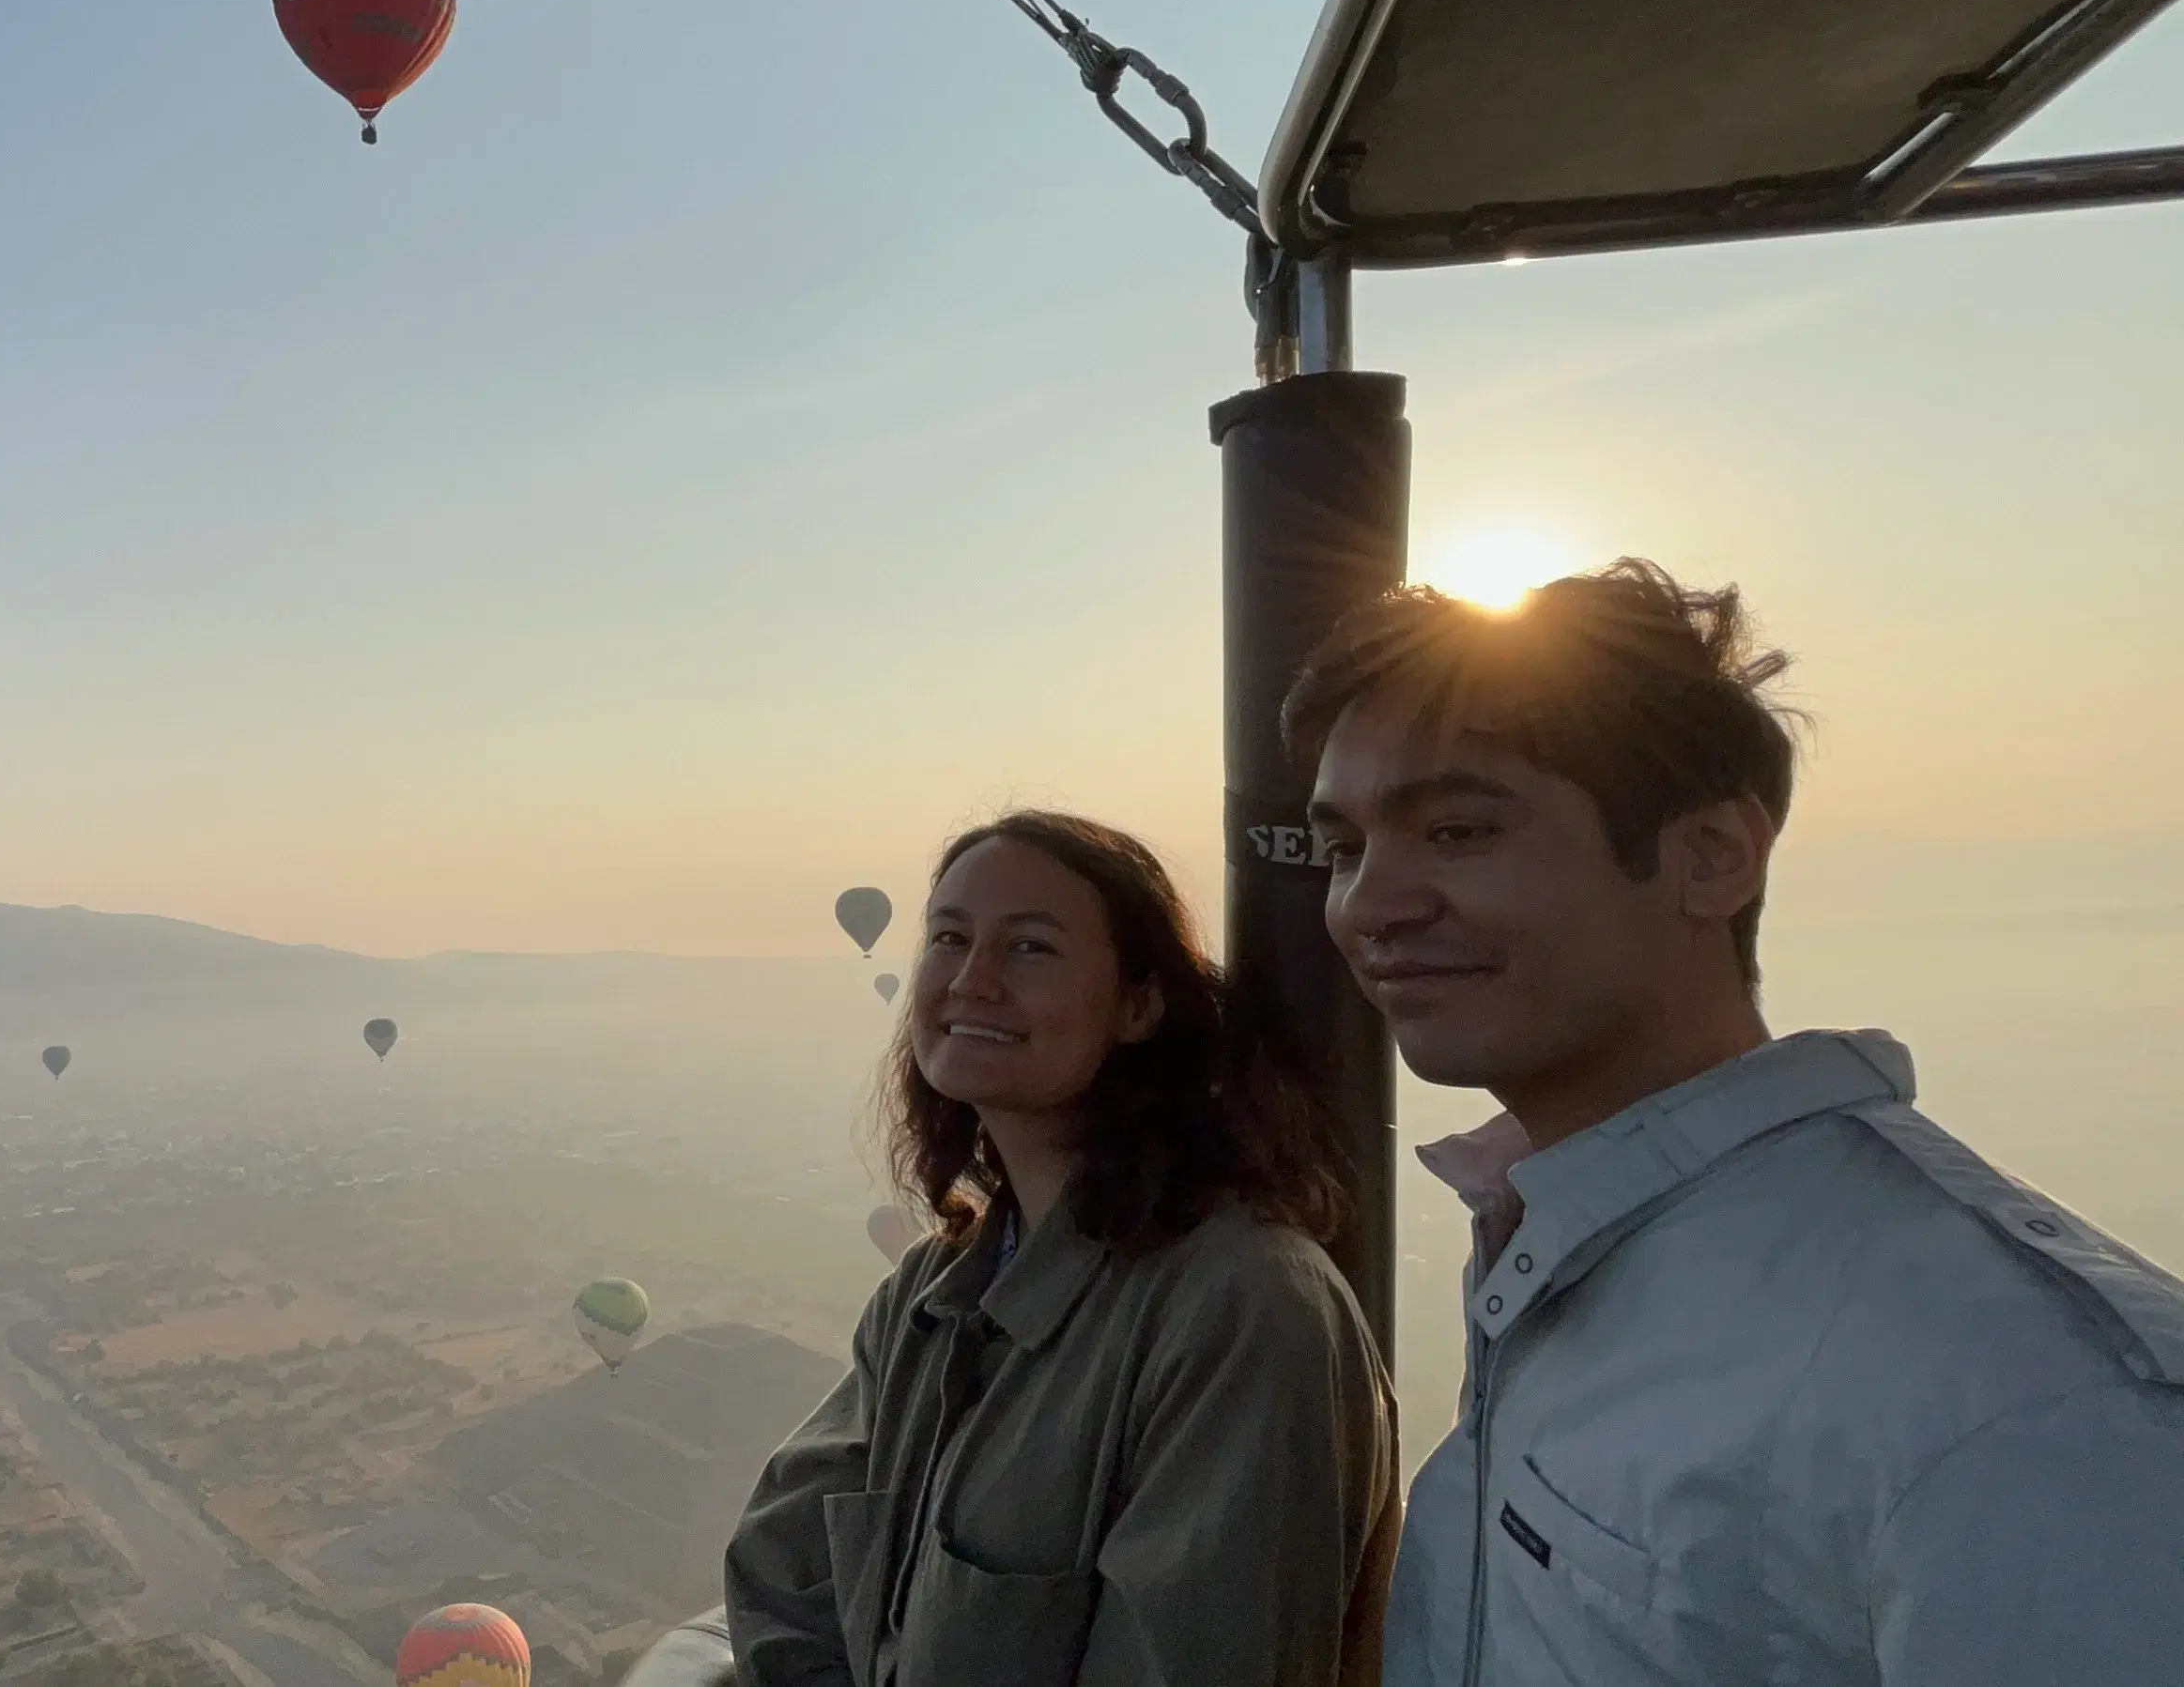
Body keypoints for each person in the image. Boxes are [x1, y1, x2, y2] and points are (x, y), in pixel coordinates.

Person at [1291, 560, 2184, 1685]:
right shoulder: (1556, 1230)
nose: (1370, 903)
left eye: (1459, 832)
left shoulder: (2035, 1401)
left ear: (1712, 857)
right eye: (1343, 849)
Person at [726, 811, 1399, 1687]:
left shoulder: (1242, 1310)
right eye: (949, 938)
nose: (973, 979)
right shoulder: (932, 1293)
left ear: (1140, 1004)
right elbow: (780, 1570)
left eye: (1030, 948)